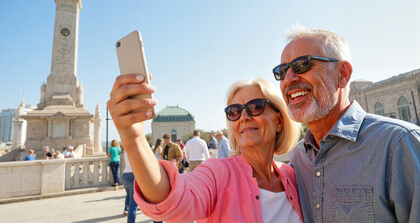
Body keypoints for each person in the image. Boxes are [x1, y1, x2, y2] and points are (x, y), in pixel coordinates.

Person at [273, 25, 420, 222]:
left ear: (342, 74)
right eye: (282, 71)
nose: (288, 79)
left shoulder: (398, 144)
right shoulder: (299, 157)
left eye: (301, 65)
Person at [107, 75, 303, 222]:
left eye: (255, 107)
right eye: (234, 112)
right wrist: (134, 139)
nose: (244, 116)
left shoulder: (293, 176)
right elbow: (170, 198)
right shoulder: (217, 174)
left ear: (279, 120)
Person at [121, 147, 139, 223]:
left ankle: (126, 208)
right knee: (133, 205)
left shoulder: (126, 149)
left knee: (128, 196)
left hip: (125, 175)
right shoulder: (134, 149)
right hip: (132, 175)